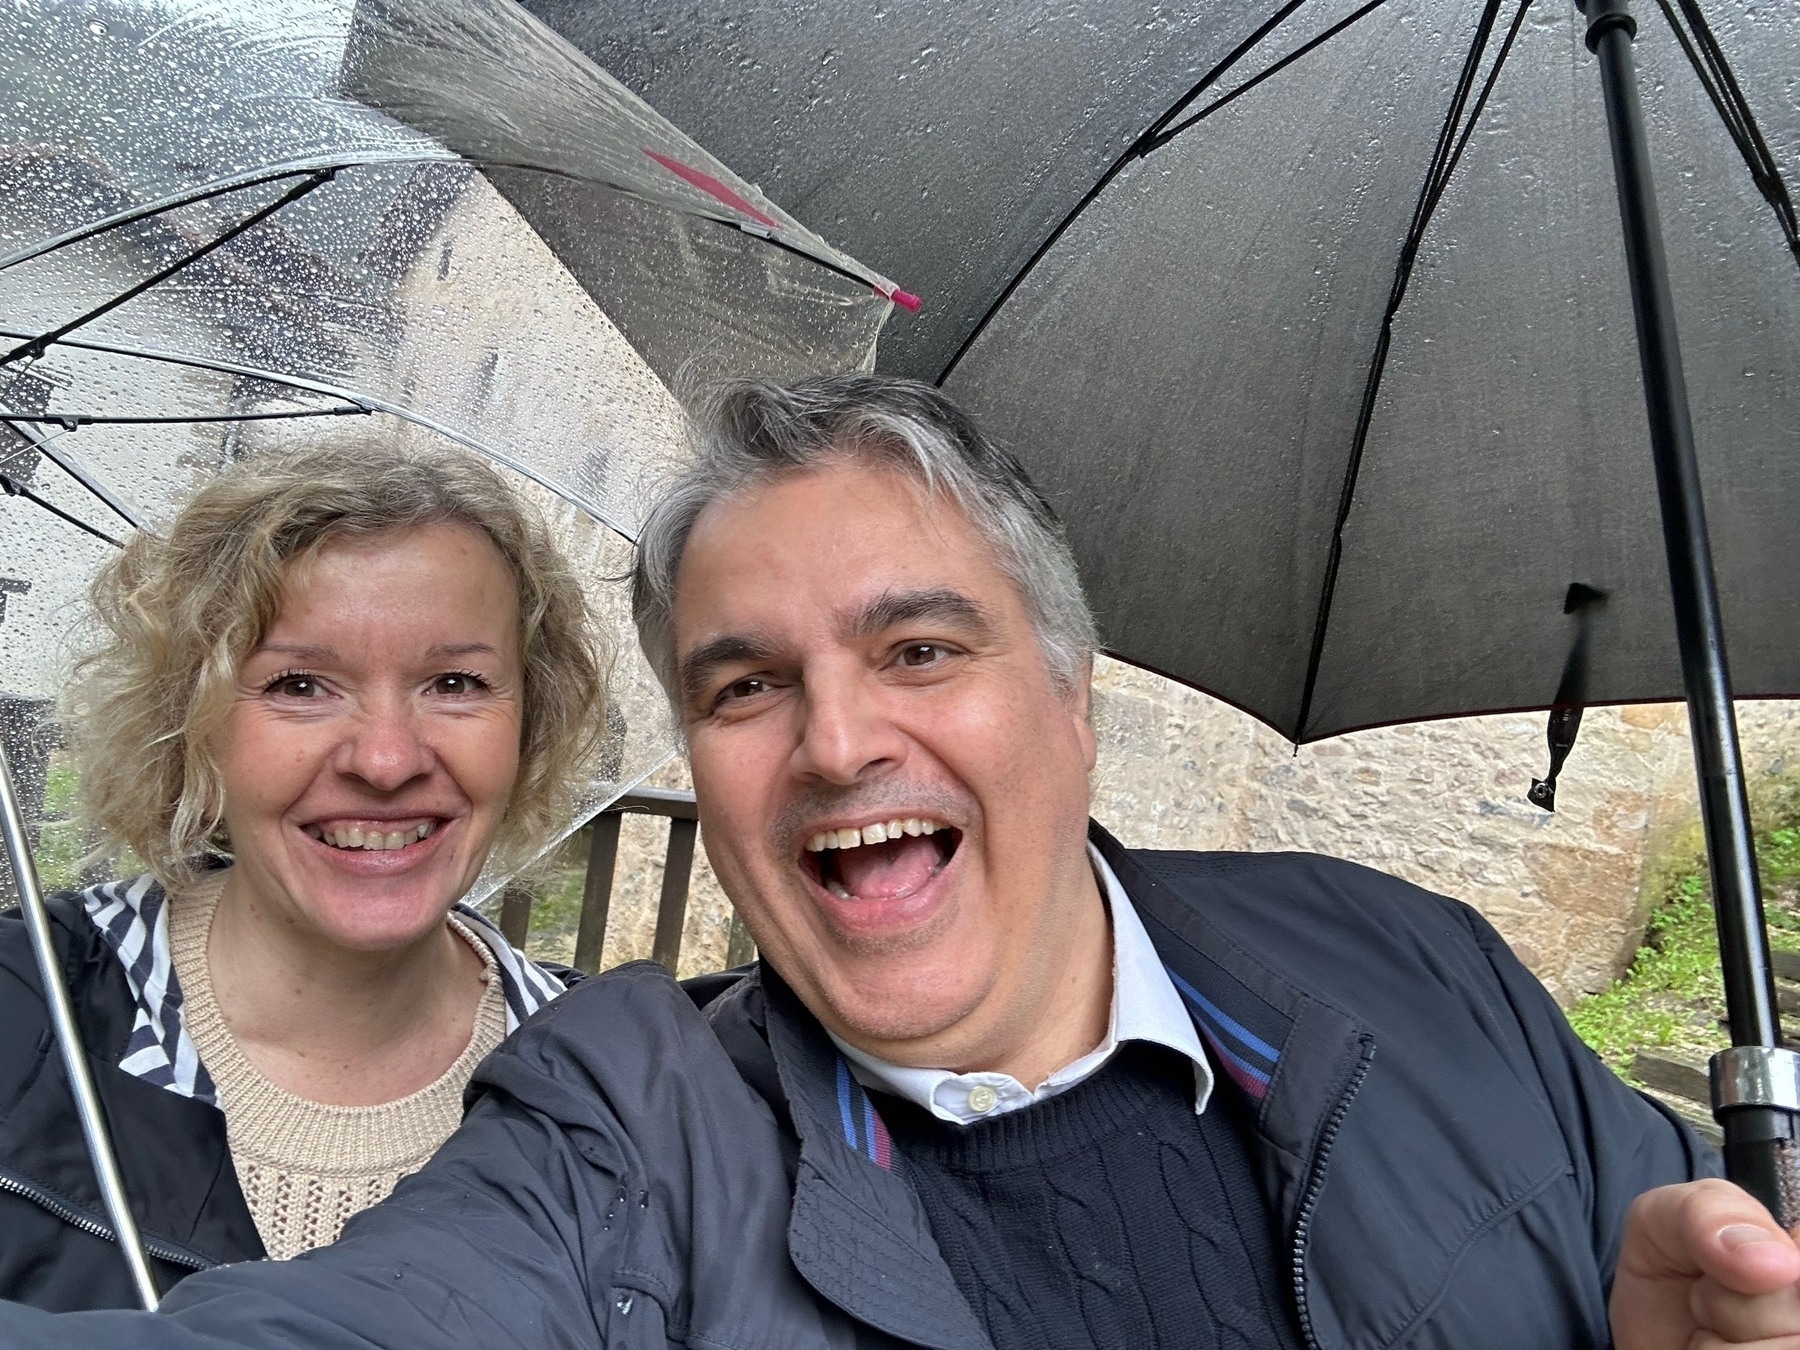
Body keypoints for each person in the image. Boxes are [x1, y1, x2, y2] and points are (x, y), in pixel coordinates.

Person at [4, 378, 1800, 1349]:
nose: (843, 741)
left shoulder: (1423, 966)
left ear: (1070, 696)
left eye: (921, 650)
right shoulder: (623, 1121)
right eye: (747, 684)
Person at [0, 440, 603, 1310]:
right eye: (300, 685)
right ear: (194, 723)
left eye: (456, 682)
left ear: (529, 722)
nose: (388, 759)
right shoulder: (25, 1013)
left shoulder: (605, 1089)